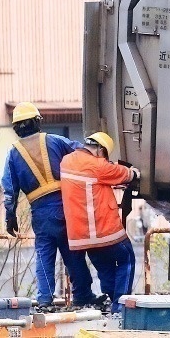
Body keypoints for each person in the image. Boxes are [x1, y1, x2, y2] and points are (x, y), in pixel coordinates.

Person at [1, 102, 101, 309]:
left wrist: (10, 216)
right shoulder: (55, 141)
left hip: (40, 212)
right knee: (73, 253)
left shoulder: (13, 154)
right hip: (66, 206)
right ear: (37, 122)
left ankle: (45, 300)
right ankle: (83, 295)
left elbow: (9, 189)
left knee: (44, 255)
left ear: (16, 128)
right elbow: (83, 153)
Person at [59, 132, 139, 314]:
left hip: (80, 235)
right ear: (101, 150)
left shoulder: (67, 161)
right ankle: (120, 306)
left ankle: (113, 299)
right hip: (103, 230)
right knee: (127, 259)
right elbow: (124, 174)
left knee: (104, 266)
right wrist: (134, 172)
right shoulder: (98, 165)